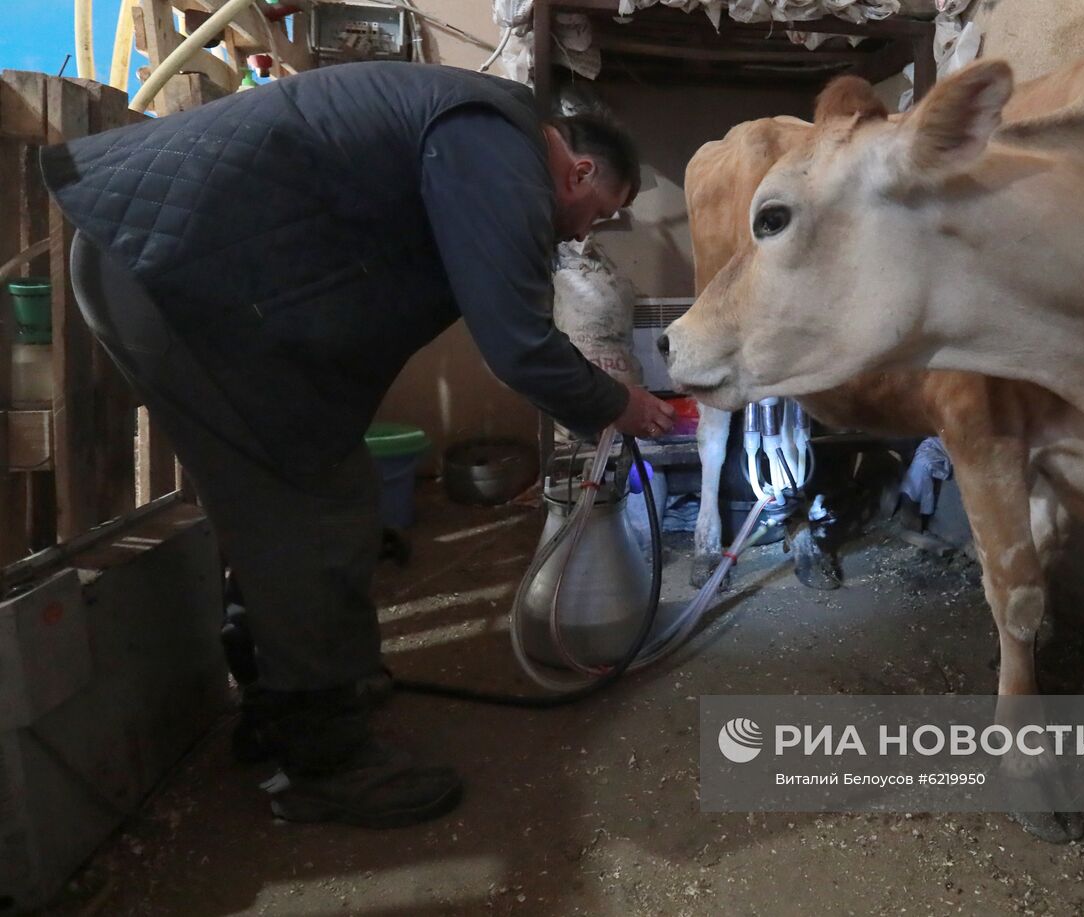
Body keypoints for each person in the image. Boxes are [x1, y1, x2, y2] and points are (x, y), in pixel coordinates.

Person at [40, 61, 675, 828]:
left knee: (307, 493)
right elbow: (517, 341)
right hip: (171, 271)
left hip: (198, 278)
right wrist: (618, 403)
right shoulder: (494, 139)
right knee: (308, 509)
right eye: (597, 212)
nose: (582, 232)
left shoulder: (480, 136)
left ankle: (287, 704)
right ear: (576, 168)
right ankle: (324, 760)